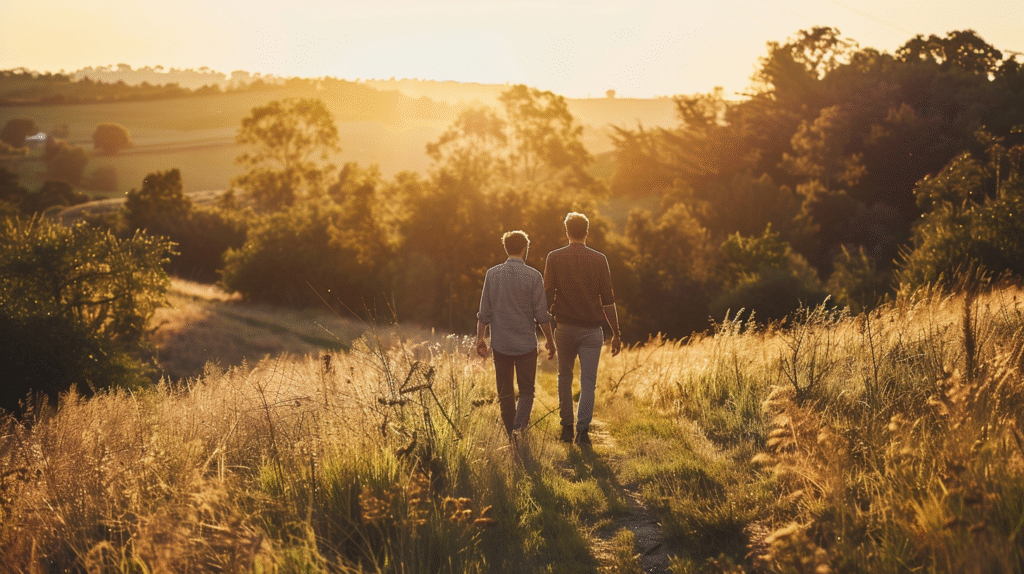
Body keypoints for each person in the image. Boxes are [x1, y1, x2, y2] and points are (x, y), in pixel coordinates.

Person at [543, 212, 621, 445]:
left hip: (564, 328)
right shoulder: (600, 259)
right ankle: (583, 432)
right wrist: (616, 333)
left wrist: (546, 333)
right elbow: (607, 300)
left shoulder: (554, 257)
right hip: (591, 331)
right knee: (588, 382)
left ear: (566, 232)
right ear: (587, 232)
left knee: (564, 377)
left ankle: (566, 427)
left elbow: (546, 296)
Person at [476, 230, 556, 439]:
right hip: (525, 345)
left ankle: (511, 433)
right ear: (525, 249)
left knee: (505, 393)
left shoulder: (492, 274)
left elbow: (484, 311)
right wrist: (550, 340)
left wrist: (480, 339)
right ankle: (519, 429)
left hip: (501, 344)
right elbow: (541, 314)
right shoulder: (534, 276)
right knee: (527, 391)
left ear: (506, 248)